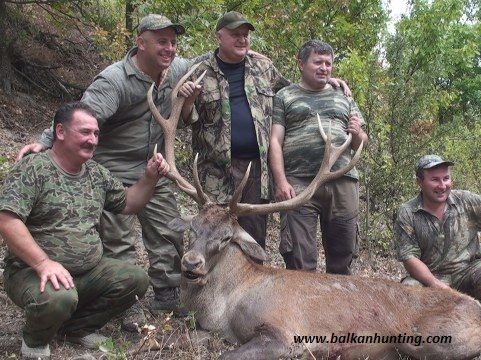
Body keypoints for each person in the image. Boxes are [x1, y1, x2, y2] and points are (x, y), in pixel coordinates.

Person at [15, 14, 196, 328]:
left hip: (154, 167)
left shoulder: (177, 70)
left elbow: (211, 60)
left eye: (172, 42)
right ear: (141, 43)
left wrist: (244, 52)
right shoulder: (114, 81)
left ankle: (167, 293)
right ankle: (129, 305)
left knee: (168, 231)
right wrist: (44, 142)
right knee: (118, 242)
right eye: (161, 42)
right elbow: (82, 117)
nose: (169, 48)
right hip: (112, 171)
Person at [0, 102, 169, 359]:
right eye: (85, 132)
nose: (92, 140)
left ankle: (75, 328)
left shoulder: (96, 174)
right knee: (58, 299)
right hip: (31, 272)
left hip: (86, 271)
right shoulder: (33, 168)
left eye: (96, 134)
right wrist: (44, 263)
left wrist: (149, 177)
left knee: (134, 279)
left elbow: (130, 203)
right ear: (60, 132)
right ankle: (34, 342)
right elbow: (7, 220)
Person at [179, 12, 350, 250]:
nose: (242, 39)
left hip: (255, 172)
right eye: (235, 35)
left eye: (245, 35)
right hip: (214, 172)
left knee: (251, 239)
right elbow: (183, 120)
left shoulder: (262, 66)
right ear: (219, 36)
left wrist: (326, 80)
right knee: (208, 238)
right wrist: (187, 99)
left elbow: (294, 92)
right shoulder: (197, 69)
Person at [268, 39, 368, 274]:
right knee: (300, 257)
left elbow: (361, 143)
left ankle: (338, 307)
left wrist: (358, 133)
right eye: (318, 62)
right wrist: (281, 181)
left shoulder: (344, 96)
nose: (324, 68)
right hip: (300, 182)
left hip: (342, 180)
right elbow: (275, 140)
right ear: (301, 63)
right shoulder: (284, 97)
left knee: (342, 255)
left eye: (328, 63)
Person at [393, 154, 481, 306]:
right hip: (430, 277)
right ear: (419, 182)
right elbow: (409, 258)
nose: (442, 186)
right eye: (435, 180)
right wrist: (436, 284)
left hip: (468, 272)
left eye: (446, 178)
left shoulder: (465, 200)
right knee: (408, 290)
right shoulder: (407, 212)